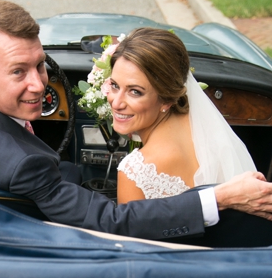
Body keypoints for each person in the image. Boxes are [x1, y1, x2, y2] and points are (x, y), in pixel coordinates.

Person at [0, 0, 272, 242]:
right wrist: (218, 197)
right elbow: (112, 221)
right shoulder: (25, 166)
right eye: (18, 72)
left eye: (40, 65)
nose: (39, 83)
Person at [108, 28, 257, 202]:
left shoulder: (133, 172)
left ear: (166, 99)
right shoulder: (206, 126)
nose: (116, 103)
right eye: (115, 85)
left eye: (135, 92)